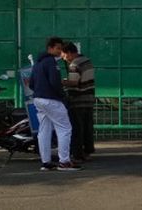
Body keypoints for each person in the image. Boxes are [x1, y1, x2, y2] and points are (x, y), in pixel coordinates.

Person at [29, 37, 81, 171]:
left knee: (44, 130)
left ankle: (46, 162)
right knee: (65, 128)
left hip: (38, 99)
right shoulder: (51, 62)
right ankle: (64, 162)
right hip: (52, 100)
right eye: (57, 48)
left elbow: (31, 83)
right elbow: (55, 82)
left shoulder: (38, 63)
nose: (59, 51)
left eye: (60, 48)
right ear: (50, 48)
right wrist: (62, 96)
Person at [61, 42, 95, 163]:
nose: (63, 58)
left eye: (64, 55)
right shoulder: (87, 61)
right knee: (87, 127)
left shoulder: (74, 65)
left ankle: (78, 154)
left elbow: (74, 82)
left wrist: (62, 82)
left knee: (77, 128)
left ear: (69, 53)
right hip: (89, 98)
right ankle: (88, 151)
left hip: (78, 100)